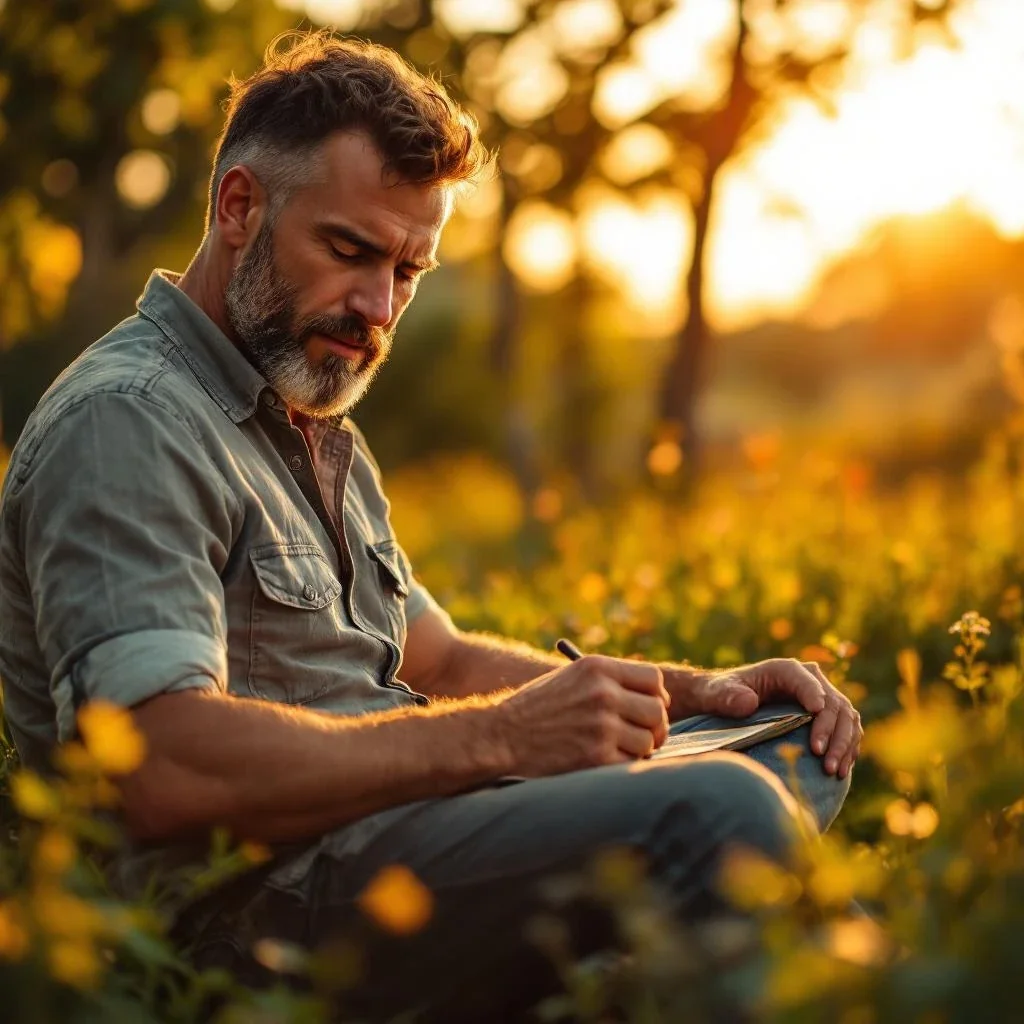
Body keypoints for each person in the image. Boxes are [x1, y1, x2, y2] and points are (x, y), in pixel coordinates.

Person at [0, 31, 861, 1021]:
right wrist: (500, 742)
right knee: (725, 810)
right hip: (253, 911)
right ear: (239, 207)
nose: (377, 307)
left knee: (783, 745)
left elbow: (440, 659)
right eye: (350, 251)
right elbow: (156, 761)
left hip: (401, 836)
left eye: (408, 271)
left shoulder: (313, 425)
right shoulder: (130, 418)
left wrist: (696, 691)